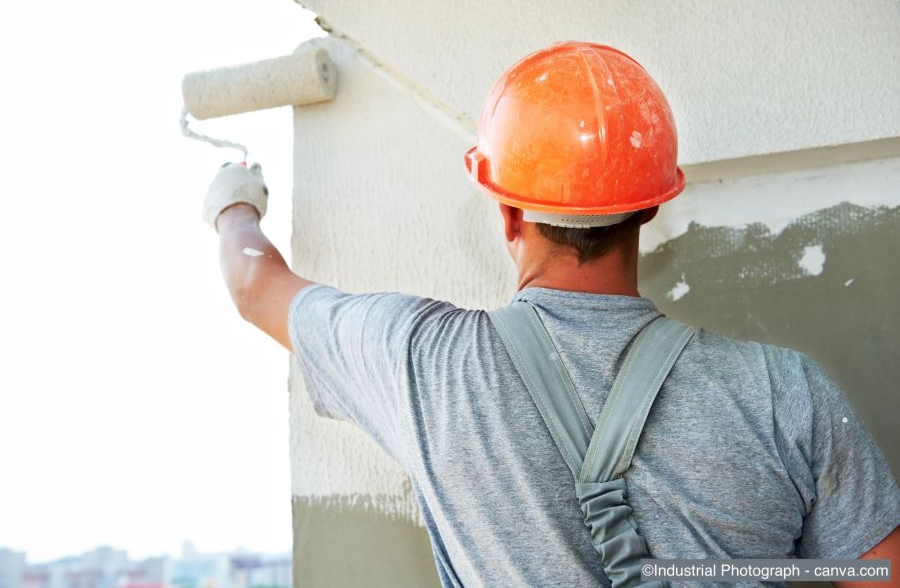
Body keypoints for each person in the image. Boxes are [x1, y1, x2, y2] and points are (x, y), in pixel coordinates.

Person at [201, 42, 899, 587]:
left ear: (508, 211)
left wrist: (236, 201)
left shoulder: (424, 364)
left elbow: (254, 287)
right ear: (652, 205)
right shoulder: (786, 392)